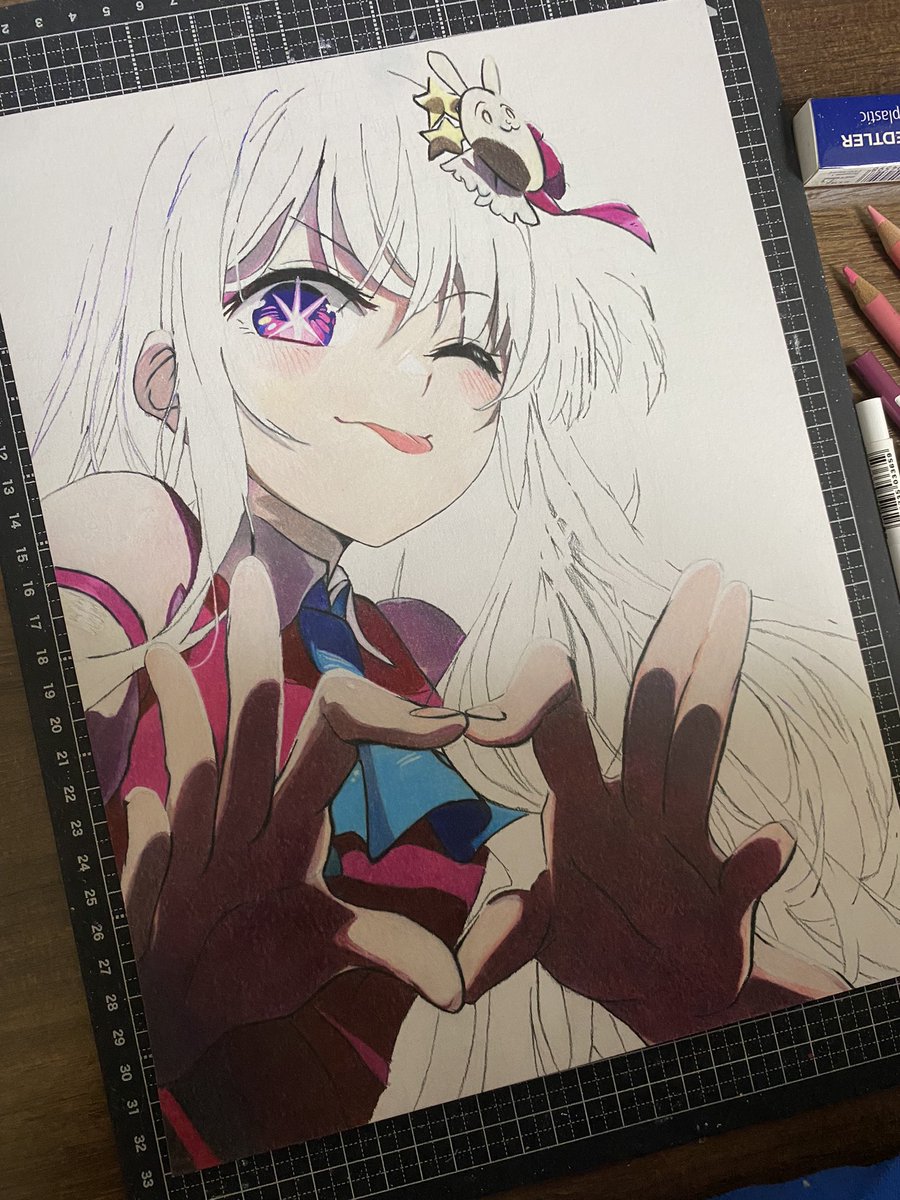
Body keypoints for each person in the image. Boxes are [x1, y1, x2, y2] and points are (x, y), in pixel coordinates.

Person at [31, 54, 899, 1169]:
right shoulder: (143, 536)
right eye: (308, 301)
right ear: (164, 371)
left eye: (468, 346)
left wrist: (694, 1005)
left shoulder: (414, 659)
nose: (412, 372)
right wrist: (155, 1015)